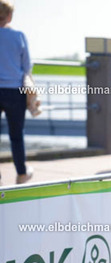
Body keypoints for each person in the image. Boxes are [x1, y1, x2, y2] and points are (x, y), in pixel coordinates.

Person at [0, 0, 33, 185]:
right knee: (16, 135)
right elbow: (27, 66)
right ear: (9, 16)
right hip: (14, 91)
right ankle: (21, 174)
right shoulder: (18, 36)